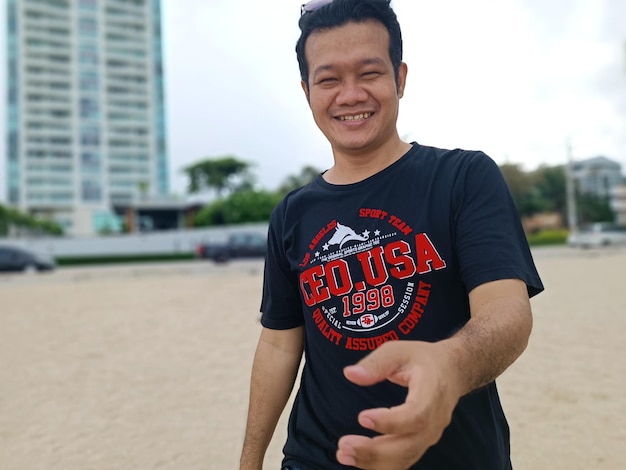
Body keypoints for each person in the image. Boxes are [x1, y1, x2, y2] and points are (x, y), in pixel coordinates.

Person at [240, 0, 544, 468]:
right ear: (307, 91)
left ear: (400, 78)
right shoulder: (291, 214)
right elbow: (279, 344)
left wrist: (450, 365)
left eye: (369, 73)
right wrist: (249, 459)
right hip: (317, 459)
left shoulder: (463, 177)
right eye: (329, 79)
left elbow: (507, 310)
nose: (350, 94)